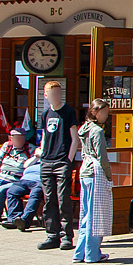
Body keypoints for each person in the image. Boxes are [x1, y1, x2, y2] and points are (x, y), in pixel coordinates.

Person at [34, 80, 80, 251]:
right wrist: (42, 153)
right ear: (46, 96)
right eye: (51, 94)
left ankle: (67, 236)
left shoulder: (68, 112)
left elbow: (75, 138)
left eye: (58, 94)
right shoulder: (45, 113)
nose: (55, 97)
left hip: (62, 161)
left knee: (63, 200)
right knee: (49, 200)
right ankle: (52, 235)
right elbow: (45, 136)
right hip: (47, 161)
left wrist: (68, 159)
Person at [73, 98, 112, 263]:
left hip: (85, 171)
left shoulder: (84, 128)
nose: (106, 116)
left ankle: (79, 253)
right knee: (96, 216)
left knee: (86, 213)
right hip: (96, 173)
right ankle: (92, 253)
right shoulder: (97, 131)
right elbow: (102, 157)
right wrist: (109, 176)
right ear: (95, 112)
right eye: (104, 113)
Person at [2, 158, 44, 231]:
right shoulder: (35, 160)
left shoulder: (51, 158)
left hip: (39, 181)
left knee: (35, 195)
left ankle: (25, 220)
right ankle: (14, 219)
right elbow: (25, 165)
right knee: (11, 192)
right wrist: (36, 157)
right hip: (24, 180)